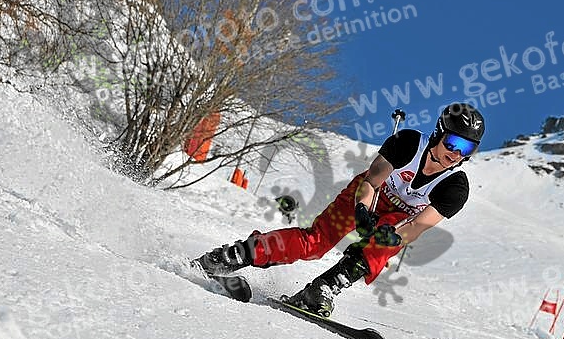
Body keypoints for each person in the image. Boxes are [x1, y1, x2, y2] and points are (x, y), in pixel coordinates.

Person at [193, 102, 485, 316]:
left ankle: (322, 289)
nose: (456, 153)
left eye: (467, 149)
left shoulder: (455, 187)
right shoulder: (408, 143)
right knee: (315, 243)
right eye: (454, 142)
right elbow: (372, 181)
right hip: (367, 194)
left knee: (387, 241)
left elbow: (418, 225)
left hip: (398, 218)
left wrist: (394, 236)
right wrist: (362, 211)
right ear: (438, 133)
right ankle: (235, 255)